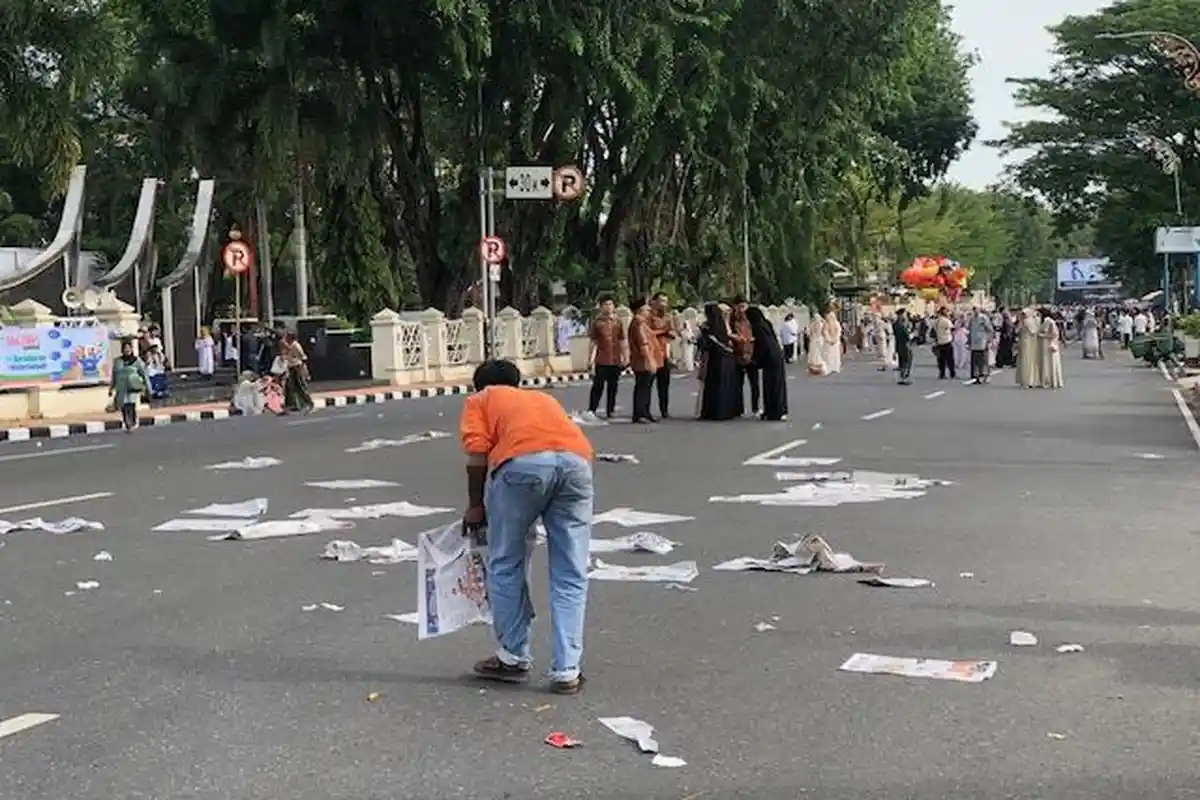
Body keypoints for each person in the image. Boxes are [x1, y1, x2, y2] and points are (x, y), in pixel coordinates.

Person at [459, 359, 594, 695]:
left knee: (506, 561)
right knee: (571, 571)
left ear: (481, 384)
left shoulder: (482, 399)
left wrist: (476, 506)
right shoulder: (544, 399)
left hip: (521, 468)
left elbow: (477, 455)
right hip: (576, 466)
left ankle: (513, 657)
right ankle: (567, 670)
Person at [697, 303, 739, 420]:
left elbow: (704, 344)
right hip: (727, 358)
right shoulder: (722, 325)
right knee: (725, 385)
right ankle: (725, 411)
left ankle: (713, 412)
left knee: (714, 386)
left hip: (715, 359)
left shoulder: (708, 327)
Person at [746, 306, 788, 420]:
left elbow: (761, 345)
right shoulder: (766, 323)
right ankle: (779, 410)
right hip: (776, 354)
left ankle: (773, 412)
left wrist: (754, 360)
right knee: (778, 384)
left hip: (769, 357)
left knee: (770, 385)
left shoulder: (757, 327)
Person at [586, 294, 624, 419]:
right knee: (598, 386)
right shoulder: (597, 322)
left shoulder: (618, 321)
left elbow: (622, 340)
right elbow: (593, 342)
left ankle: (610, 410)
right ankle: (592, 409)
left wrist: (625, 356)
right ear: (601, 307)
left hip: (615, 359)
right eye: (605, 305)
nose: (608, 307)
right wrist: (590, 360)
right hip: (602, 359)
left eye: (610, 304)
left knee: (613, 386)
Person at [627, 298, 659, 423]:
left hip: (642, 360)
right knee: (642, 388)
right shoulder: (639, 323)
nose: (649, 311)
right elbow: (643, 343)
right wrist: (650, 360)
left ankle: (645, 412)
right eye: (646, 309)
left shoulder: (641, 323)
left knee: (646, 387)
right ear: (640, 310)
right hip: (642, 361)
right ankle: (640, 413)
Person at [109, 338, 148, 432]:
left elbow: (143, 374)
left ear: (131, 349)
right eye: (125, 348)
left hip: (132, 386)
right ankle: (127, 422)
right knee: (123, 405)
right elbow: (114, 375)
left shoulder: (136, 361)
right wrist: (111, 388)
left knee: (131, 404)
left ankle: (133, 421)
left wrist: (146, 387)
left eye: (128, 348)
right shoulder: (117, 361)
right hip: (121, 387)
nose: (127, 350)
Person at [729, 296, 759, 416]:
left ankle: (755, 408)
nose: (742, 309)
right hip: (737, 355)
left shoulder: (752, 319)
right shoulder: (731, 320)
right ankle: (738, 409)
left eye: (744, 306)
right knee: (737, 384)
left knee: (754, 384)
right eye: (739, 306)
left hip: (751, 354)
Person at [648, 292, 675, 418]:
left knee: (664, 385)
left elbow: (673, 334)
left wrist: (670, 332)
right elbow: (647, 333)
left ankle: (664, 410)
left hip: (664, 354)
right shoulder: (647, 317)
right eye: (661, 301)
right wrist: (663, 331)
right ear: (653, 302)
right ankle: (644, 411)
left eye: (665, 301)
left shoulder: (668, 317)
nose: (663, 304)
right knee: (647, 385)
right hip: (651, 354)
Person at [279, 332, 314, 412]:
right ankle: (297, 404)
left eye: (287, 337)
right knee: (293, 387)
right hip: (291, 367)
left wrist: (303, 370)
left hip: (297, 367)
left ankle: (310, 403)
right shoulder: (288, 345)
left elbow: (303, 357)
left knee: (301, 386)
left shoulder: (295, 345)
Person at [1016, 308, 1043, 388]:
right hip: (1031, 342)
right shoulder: (1033, 321)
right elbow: (1035, 331)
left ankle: (1026, 380)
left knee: (1026, 360)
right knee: (1031, 360)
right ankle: (1030, 380)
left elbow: (1018, 331)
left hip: (1026, 341)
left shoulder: (1026, 321)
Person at [968, 307, 994, 384]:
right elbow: (970, 330)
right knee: (975, 361)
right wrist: (969, 341)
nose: (975, 311)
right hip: (974, 342)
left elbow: (990, 330)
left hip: (982, 341)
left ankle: (985, 376)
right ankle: (977, 377)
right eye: (974, 309)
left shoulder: (983, 318)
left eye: (976, 309)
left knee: (983, 360)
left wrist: (989, 340)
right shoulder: (972, 319)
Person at [1040, 309, 1065, 389]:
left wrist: (1041, 335)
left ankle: (1049, 380)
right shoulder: (1051, 321)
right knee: (1053, 363)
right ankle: (1055, 380)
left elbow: (1052, 334)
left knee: (1049, 363)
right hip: (1053, 343)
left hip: (1048, 343)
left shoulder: (1048, 321)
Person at [932, 307, 955, 379]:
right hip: (947, 341)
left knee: (941, 359)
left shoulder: (936, 321)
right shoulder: (946, 321)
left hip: (939, 341)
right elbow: (952, 328)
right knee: (950, 359)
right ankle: (952, 373)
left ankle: (942, 373)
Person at [893, 309, 913, 385]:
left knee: (902, 361)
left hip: (899, 344)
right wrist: (912, 334)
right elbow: (908, 336)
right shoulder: (902, 325)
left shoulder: (895, 324)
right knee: (906, 361)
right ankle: (904, 378)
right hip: (905, 345)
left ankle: (902, 377)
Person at [822, 306, 843, 374]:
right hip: (835, 342)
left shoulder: (826, 323)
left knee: (829, 355)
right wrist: (835, 339)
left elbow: (825, 332)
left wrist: (829, 340)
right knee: (835, 355)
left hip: (829, 342)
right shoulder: (836, 323)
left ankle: (829, 368)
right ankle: (835, 367)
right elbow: (839, 331)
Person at [806, 310, 827, 376]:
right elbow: (824, 332)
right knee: (820, 353)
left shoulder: (811, 325)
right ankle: (820, 368)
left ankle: (813, 368)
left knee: (813, 354)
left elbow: (808, 333)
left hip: (813, 340)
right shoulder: (821, 324)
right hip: (820, 340)